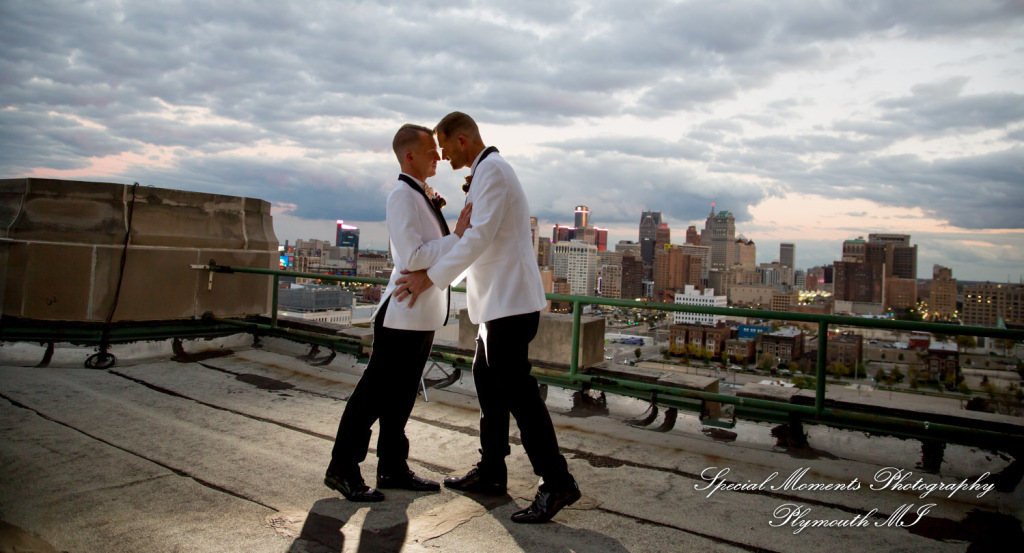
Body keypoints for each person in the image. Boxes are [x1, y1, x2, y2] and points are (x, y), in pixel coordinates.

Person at [393, 112, 581, 523]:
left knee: (520, 395)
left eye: (444, 147)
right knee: (486, 380)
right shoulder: (484, 173)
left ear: (462, 141)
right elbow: (477, 239)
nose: (442, 155)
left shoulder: (493, 171)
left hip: (511, 304)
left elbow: (477, 238)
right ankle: (493, 470)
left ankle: (557, 481)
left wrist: (430, 278)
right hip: (496, 305)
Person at [324, 123, 472, 502]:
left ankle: (392, 466)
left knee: (402, 397)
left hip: (421, 315)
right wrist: (456, 237)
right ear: (410, 156)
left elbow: (428, 252)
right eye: (430, 151)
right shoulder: (401, 197)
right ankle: (342, 467)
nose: (438, 156)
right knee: (373, 395)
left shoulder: (420, 194)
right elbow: (412, 257)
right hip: (401, 315)